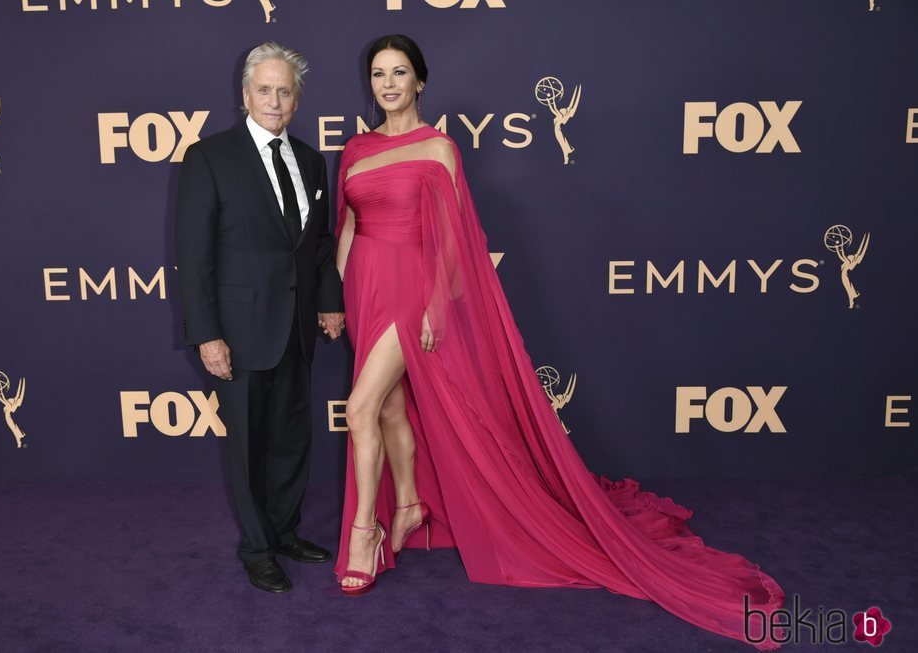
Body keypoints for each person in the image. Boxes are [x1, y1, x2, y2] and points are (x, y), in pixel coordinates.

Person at [333, 34, 784, 649]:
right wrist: (341, 294)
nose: (388, 84)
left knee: (360, 407)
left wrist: (434, 306)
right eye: (378, 73)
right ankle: (409, 506)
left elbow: (454, 243)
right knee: (385, 406)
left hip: (411, 291)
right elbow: (350, 228)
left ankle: (365, 533)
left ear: (420, 82)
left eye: (400, 72)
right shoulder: (355, 149)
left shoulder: (439, 147)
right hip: (364, 287)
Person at [175, 42, 345, 593]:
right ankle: (257, 548)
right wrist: (207, 334)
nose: (275, 100)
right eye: (265, 89)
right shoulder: (209, 157)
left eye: (285, 91)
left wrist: (328, 300)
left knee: (292, 438)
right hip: (240, 333)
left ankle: (286, 530)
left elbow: (317, 247)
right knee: (248, 444)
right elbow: (194, 254)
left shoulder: (313, 160)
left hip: (296, 329)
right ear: (245, 94)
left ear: (297, 100)